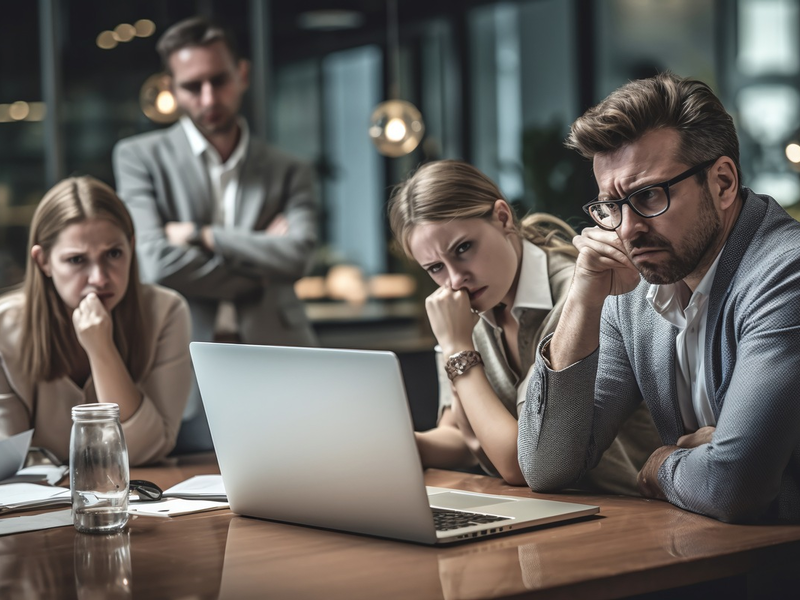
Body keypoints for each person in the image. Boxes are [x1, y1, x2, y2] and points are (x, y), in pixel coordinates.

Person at [518, 72, 800, 523]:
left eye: (648, 195)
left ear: (723, 183)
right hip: (704, 557)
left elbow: (734, 485)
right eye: (611, 205)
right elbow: (547, 466)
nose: (627, 230)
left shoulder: (787, 272)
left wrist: (658, 467)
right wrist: (584, 296)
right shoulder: (635, 288)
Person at [388, 160, 660, 491]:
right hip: (544, 512)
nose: (455, 279)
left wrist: (457, 348)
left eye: (463, 249)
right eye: (435, 268)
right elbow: (460, 435)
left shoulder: (583, 294)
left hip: (619, 510)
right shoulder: (465, 308)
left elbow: (519, 463)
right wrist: (396, 444)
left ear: (502, 217)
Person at [113, 17, 318, 449]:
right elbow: (155, 260)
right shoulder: (139, 158)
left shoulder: (288, 169)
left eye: (219, 80)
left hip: (280, 352)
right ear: (171, 87)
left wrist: (200, 235)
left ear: (242, 73)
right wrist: (263, 266)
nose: (208, 98)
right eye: (192, 86)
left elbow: (298, 255)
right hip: (183, 357)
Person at [0, 177, 191, 466]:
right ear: (43, 262)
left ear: (131, 247)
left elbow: (145, 450)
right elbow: (10, 462)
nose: (100, 278)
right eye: (77, 260)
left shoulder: (166, 312)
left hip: (133, 498)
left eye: (113, 254)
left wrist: (101, 349)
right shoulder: (4, 327)